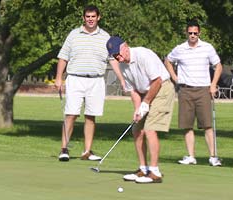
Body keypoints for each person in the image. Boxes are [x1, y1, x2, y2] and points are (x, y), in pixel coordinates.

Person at [55, 5, 124, 162]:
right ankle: (64, 149)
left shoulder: (105, 36)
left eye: (93, 16)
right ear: (83, 18)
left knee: (91, 116)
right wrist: (59, 77)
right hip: (75, 78)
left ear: (98, 17)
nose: (90, 19)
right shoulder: (73, 35)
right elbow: (63, 57)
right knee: (71, 114)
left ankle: (87, 151)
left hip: (96, 80)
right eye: (88, 16)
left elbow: (112, 60)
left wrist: (121, 78)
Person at [106, 36, 175, 183]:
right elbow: (133, 90)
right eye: (114, 56)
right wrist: (138, 109)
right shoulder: (122, 65)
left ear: (125, 46)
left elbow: (157, 81)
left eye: (118, 53)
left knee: (150, 129)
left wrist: (146, 103)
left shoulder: (143, 54)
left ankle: (154, 172)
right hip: (145, 93)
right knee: (137, 129)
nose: (117, 57)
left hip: (162, 89)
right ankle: (143, 169)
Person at [164, 20, 223, 166]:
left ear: (199, 33)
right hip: (185, 90)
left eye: (195, 33)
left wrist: (213, 84)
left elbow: (219, 66)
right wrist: (174, 77)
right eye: (190, 33)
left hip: (203, 89)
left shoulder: (207, 48)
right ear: (186, 33)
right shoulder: (180, 49)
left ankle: (213, 157)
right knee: (187, 125)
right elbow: (167, 61)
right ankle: (191, 156)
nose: (192, 35)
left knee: (207, 125)